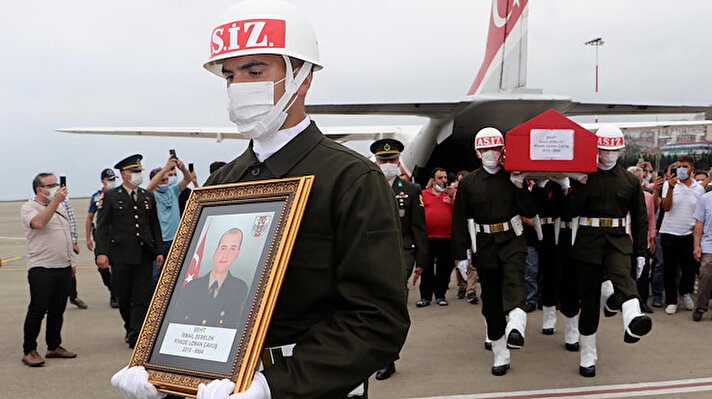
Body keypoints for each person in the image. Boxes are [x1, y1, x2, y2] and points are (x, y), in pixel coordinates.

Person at [111, 1, 409, 398]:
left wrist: (272, 385)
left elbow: (377, 319)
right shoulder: (221, 182)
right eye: (230, 75)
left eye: (255, 70)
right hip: (216, 386)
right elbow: (192, 292)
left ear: (302, 78)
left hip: (313, 387)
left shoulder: (351, 179)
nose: (239, 86)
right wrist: (161, 369)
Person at [565, 125, 651, 377]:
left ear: (621, 150)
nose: (608, 154)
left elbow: (640, 218)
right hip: (588, 241)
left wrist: (641, 252)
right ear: (596, 149)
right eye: (603, 149)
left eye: (613, 150)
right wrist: (576, 184)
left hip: (617, 240)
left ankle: (634, 321)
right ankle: (588, 354)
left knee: (623, 277)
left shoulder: (629, 181)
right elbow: (568, 211)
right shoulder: (584, 176)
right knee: (589, 300)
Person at [451, 127, 537, 376]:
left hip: (513, 239)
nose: (491, 153)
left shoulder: (513, 177)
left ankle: (517, 326)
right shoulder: (468, 183)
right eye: (485, 149)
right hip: (484, 244)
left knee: (514, 281)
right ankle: (501, 352)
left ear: (503, 151)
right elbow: (459, 219)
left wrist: (520, 184)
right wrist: (460, 255)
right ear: (477, 153)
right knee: (491, 300)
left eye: (495, 148)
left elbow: (530, 210)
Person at [370, 138, 428, 381]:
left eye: (392, 160)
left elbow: (419, 228)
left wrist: (422, 261)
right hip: (372, 254)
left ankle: (388, 356)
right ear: (376, 161)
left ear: (398, 161)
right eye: (383, 160)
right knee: (376, 307)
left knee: (393, 302)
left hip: (403, 252)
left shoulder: (412, 191)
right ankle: (386, 357)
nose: (388, 164)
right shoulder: (366, 188)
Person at [94, 154, 164, 349]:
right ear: (124, 175)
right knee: (123, 296)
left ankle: (136, 334)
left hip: (143, 254)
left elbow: (154, 226)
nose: (137, 175)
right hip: (121, 255)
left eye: (139, 172)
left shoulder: (147, 196)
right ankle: (130, 326)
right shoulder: (110, 197)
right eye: (134, 172)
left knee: (141, 297)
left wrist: (159, 251)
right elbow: (102, 227)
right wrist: (102, 252)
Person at [20, 173, 78, 367]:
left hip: (63, 267)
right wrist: (56, 202)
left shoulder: (60, 207)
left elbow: (66, 235)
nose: (57, 188)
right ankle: (29, 350)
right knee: (38, 310)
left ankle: (54, 346)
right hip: (42, 268)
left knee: (57, 310)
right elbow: (38, 223)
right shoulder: (29, 207)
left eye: (57, 184)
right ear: (40, 189)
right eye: (51, 185)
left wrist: (72, 263)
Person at [174, 228, 248, 327]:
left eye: (232, 249)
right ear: (215, 252)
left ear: (237, 254)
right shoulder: (191, 287)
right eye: (223, 248)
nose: (225, 254)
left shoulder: (239, 288)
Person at [659, 156, 705, 314]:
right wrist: (671, 189)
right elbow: (665, 207)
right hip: (669, 232)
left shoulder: (699, 189)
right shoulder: (669, 185)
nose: (681, 170)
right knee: (670, 269)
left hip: (688, 234)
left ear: (692, 169)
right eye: (679, 166)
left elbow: (701, 211)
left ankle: (685, 292)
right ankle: (671, 300)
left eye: (684, 166)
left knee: (689, 268)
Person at [147, 157, 195, 285]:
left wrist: (182, 168)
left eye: (166, 179)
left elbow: (188, 179)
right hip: (160, 242)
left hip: (175, 240)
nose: (165, 182)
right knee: (155, 277)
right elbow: (149, 187)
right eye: (162, 180)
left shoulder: (173, 191)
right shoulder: (151, 195)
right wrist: (165, 169)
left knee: (176, 275)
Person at [419, 167, 456, 307]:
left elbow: (460, 211)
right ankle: (425, 297)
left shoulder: (452, 194)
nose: (444, 181)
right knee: (426, 267)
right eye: (440, 178)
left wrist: (453, 197)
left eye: (445, 178)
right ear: (433, 180)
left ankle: (440, 295)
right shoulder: (424, 194)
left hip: (446, 237)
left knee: (444, 268)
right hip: (428, 238)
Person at [86, 168, 119, 308]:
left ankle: (116, 295)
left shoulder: (120, 194)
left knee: (118, 266)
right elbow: (89, 218)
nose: (112, 182)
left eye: (113, 179)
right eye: (109, 180)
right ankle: (112, 288)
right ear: (102, 181)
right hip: (101, 236)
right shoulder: (96, 197)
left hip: (117, 235)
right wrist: (87, 238)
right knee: (102, 267)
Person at [627, 166, 657, 313]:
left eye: (639, 180)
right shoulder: (622, 195)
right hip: (624, 240)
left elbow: (651, 219)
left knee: (643, 273)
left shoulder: (648, 197)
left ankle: (642, 301)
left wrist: (652, 238)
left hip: (642, 241)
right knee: (626, 273)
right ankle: (626, 302)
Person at [693, 187, 712, 321]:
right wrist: (696, 244)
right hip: (708, 244)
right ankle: (700, 307)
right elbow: (699, 223)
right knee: (705, 275)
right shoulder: (705, 199)